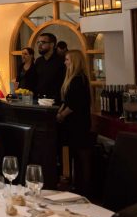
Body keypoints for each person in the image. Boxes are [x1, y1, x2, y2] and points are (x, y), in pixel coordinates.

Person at [56, 50, 93, 195]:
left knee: (80, 156)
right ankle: (78, 185)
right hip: (74, 124)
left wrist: (61, 115)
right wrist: (60, 112)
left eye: (67, 60)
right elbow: (66, 101)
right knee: (76, 156)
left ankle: (83, 188)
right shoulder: (75, 79)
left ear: (74, 62)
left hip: (78, 124)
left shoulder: (78, 79)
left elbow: (74, 104)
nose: (65, 62)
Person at [33, 32, 65, 102]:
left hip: (56, 101)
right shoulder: (39, 61)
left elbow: (64, 83)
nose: (39, 45)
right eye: (38, 42)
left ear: (52, 44)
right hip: (40, 99)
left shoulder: (61, 61)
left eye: (43, 42)